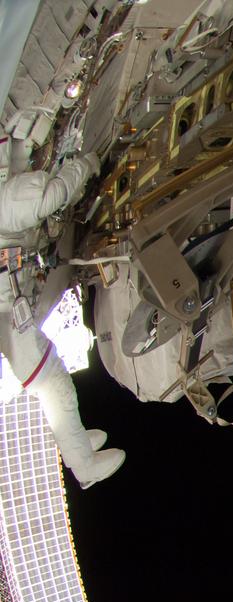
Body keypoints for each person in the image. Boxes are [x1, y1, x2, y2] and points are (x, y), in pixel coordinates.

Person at [0, 111, 123, 487]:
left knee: (52, 382)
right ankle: (84, 466)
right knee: (53, 384)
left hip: (9, 312)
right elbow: (52, 194)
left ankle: (75, 440)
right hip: (9, 318)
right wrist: (86, 164)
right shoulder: (7, 201)